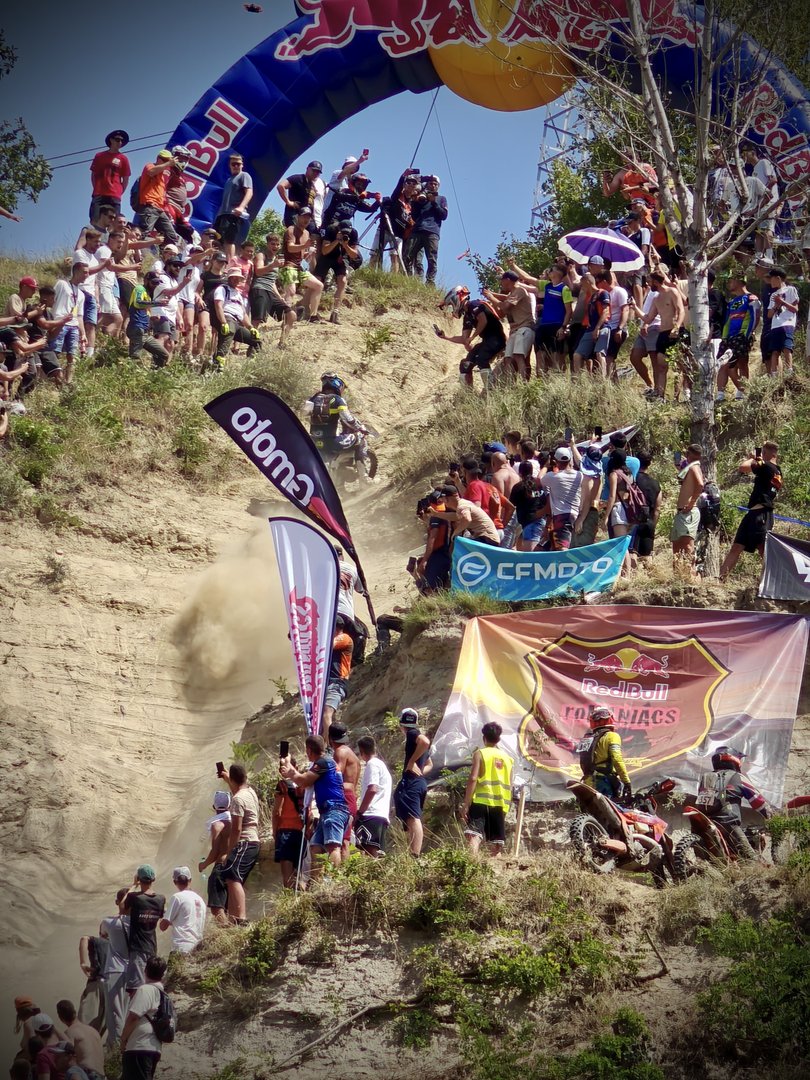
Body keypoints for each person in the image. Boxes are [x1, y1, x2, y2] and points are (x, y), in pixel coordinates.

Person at [280, 735, 350, 872]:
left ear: (309, 750)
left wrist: (290, 771)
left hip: (334, 809)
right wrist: (289, 766)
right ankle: (318, 879)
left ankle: (334, 879)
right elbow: (304, 780)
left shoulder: (323, 762)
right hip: (327, 811)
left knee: (333, 846)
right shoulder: (326, 761)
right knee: (315, 847)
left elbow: (304, 781)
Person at [720, 442, 782, 579]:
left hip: (761, 514)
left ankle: (774, 580)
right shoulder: (775, 470)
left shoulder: (767, 466)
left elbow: (743, 467)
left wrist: (752, 458)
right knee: (737, 547)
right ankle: (720, 578)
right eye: (762, 453)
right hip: (753, 513)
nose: (762, 455)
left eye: (764, 453)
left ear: (772, 454)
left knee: (763, 549)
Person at [696, 746, 769, 858]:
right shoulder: (738, 777)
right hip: (728, 822)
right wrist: (772, 817)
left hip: (704, 821)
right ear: (735, 760)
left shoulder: (706, 777)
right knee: (751, 859)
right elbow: (758, 801)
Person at [461, 722, 514, 856]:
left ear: (484, 737)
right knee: (496, 843)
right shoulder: (508, 759)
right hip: (499, 804)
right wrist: (507, 806)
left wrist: (466, 804)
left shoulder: (480, 754)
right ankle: (495, 868)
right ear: (499, 739)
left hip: (481, 801)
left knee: (474, 836)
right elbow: (510, 785)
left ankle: (472, 864)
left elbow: (473, 778)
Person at [438, 285, 505, 390]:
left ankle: (491, 391)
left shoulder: (474, 304)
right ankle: (468, 395)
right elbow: (464, 339)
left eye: (451, 305)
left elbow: (483, 320)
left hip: (497, 338)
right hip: (487, 341)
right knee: (465, 365)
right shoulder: (467, 316)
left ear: (456, 299)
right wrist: (445, 337)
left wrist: (473, 337)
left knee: (482, 358)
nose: (451, 309)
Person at [219, 763, 261, 926]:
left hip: (245, 841)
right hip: (254, 840)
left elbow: (236, 829)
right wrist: (228, 779)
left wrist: (229, 851)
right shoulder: (250, 792)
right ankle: (233, 918)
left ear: (233, 779)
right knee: (233, 876)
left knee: (232, 876)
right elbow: (238, 791)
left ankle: (240, 918)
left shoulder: (237, 799)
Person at [120, 955, 168, 1080]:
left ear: (145, 970)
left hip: (139, 1046)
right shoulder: (163, 994)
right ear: (163, 975)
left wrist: (123, 1040)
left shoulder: (145, 989)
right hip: (154, 1047)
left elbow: (133, 1017)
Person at [393, 708, 433, 857]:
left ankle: (414, 854)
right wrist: (420, 772)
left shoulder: (412, 734)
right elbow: (430, 764)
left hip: (412, 782)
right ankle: (412, 853)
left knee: (413, 818)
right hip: (419, 782)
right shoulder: (415, 739)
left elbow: (425, 741)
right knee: (411, 818)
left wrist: (411, 762)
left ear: (401, 725)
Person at [303, 372, 368, 461]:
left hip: (314, 441)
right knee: (360, 435)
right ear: (338, 384)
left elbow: (304, 414)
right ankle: (363, 468)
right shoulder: (338, 399)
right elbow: (347, 418)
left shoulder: (314, 399)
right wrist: (359, 427)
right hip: (332, 442)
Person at [640, 270, 685, 399]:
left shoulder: (672, 292)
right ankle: (660, 396)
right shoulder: (656, 298)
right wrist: (634, 308)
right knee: (661, 366)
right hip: (663, 334)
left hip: (675, 332)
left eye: (650, 282)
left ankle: (678, 396)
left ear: (655, 282)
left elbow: (681, 310)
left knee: (678, 366)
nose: (648, 284)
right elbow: (648, 318)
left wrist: (677, 327)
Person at [485, 271, 535, 381]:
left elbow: (506, 306)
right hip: (515, 331)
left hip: (524, 327)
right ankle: (510, 384)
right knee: (508, 359)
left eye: (501, 280)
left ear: (507, 280)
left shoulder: (520, 290)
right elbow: (501, 313)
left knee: (519, 356)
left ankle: (523, 383)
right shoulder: (511, 294)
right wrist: (491, 297)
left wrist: (491, 297)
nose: (501, 283)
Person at [715, 275, 758, 401]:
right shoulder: (732, 302)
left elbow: (755, 317)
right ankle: (720, 394)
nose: (729, 283)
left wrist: (747, 334)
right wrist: (724, 337)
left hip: (742, 335)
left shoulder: (751, 298)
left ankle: (743, 392)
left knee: (741, 363)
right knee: (723, 364)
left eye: (731, 280)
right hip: (728, 337)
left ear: (739, 281)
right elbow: (727, 320)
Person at [97, 887, 130, 1048]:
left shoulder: (108, 922)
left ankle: (116, 1048)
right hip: (134, 971)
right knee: (128, 1011)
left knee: (115, 1012)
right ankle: (127, 1044)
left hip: (114, 970)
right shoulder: (139, 923)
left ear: (117, 902)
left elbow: (102, 935)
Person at [122, 867, 165, 991]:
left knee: (135, 988)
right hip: (152, 947)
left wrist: (133, 885)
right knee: (150, 986)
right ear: (153, 879)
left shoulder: (134, 897)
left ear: (139, 879)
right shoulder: (161, 899)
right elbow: (160, 915)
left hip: (138, 948)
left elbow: (122, 908)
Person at [211, 267, 261, 369]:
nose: (236, 280)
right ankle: (218, 364)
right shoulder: (222, 289)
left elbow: (243, 313)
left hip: (237, 321)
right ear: (229, 278)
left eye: (238, 278)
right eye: (234, 278)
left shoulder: (238, 294)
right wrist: (223, 322)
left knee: (256, 341)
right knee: (229, 333)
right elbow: (218, 305)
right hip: (227, 317)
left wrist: (250, 327)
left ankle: (250, 364)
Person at [313, 218, 361, 324]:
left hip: (340, 258)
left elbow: (354, 255)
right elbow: (324, 251)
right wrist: (336, 241)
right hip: (327, 257)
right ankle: (312, 312)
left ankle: (335, 312)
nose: (345, 234)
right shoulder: (331, 229)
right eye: (343, 232)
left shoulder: (353, 233)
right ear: (338, 229)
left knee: (342, 281)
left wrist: (345, 245)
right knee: (317, 280)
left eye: (346, 232)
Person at [579, 704, 631, 801]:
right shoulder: (612, 736)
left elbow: (582, 763)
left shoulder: (586, 738)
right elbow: (617, 759)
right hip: (604, 783)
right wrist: (626, 782)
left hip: (587, 783)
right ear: (609, 719)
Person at [250, 234, 295, 343]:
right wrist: (272, 265)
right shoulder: (261, 255)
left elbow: (272, 281)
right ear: (267, 244)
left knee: (291, 315)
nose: (275, 246)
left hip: (270, 291)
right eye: (273, 244)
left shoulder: (276, 259)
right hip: (259, 288)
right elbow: (258, 271)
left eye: (277, 244)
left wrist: (279, 297)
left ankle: (282, 342)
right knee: (257, 320)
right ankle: (251, 343)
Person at [405, 175, 447, 284]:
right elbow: (414, 216)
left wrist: (433, 202)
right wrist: (415, 202)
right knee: (407, 255)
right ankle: (408, 279)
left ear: (438, 186)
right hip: (418, 230)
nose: (433, 185)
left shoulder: (441, 199)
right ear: (426, 185)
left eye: (435, 184)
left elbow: (444, 215)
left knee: (432, 259)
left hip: (432, 232)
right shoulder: (421, 198)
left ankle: (430, 282)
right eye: (430, 183)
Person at [355, 736, 392, 858]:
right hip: (380, 814)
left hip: (371, 814)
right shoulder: (381, 765)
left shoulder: (372, 764)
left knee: (370, 852)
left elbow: (372, 789)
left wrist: (360, 812)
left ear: (361, 751)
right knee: (377, 854)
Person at [198, 791, 232, 926]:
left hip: (221, 865)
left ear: (214, 806)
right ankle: (232, 927)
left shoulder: (216, 825)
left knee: (216, 907)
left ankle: (226, 931)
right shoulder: (235, 822)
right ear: (229, 806)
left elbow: (216, 851)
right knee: (229, 904)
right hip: (234, 865)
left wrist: (204, 864)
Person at [430, 484, 501, 547]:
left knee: (461, 547)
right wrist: (436, 514)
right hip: (489, 538)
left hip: (486, 538)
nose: (444, 503)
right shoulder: (463, 504)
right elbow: (455, 517)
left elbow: (467, 519)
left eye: (443, 500)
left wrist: (455, 533)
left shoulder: (462, 506)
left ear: (446, 499)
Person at [327, 722, 361, 855]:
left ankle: (340, 867)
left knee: (341, 841)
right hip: (351, 796)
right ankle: (345, 867)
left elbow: (336, 774)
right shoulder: (352, 754)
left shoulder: (340, 751)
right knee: (345, 838)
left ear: (330, 738)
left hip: (344, 796)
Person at [542, 444, 583, 550]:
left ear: (555, 461)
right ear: (570, 460)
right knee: (572, 547)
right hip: (576, 516)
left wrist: (546, 465)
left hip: (561, 518)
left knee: (562, 549)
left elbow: (539, 479)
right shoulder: (580, 476)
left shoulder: (552, 477)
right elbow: (583, 465)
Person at [272, 761, 306, 889]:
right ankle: (302, 898)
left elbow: (277, 812)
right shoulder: (303, 785)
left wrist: (275, 831)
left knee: (287, 877)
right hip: (301, 832)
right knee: (299, 874)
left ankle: (290, 899)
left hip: (285, 831)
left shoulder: (282, 785)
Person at [535, 265, 574, 374]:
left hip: (557, 326)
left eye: (552, 270)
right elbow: (528, 279)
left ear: (559, 273)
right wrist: (513, 266)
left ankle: (557, 379)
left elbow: (569, 311)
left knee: (555, 355)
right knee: (540, 354)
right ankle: (540, 380)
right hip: (543, 326)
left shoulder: (565, 289)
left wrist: (563, 327)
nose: (550, 271)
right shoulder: (546, 285)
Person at [671, 444, 705, 569]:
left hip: (688, 513)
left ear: (689, 454)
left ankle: (690, 573)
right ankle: (678, 574)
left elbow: (700, 485)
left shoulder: (694, 467)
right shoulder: (690, 467)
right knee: (677, 546)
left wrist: (691, 503)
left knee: (687, 546)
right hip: (682, 513)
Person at [158, 868, 206, 954]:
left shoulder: (177, 897)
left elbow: (163, 927)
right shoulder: (200, 900)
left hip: (181, 948)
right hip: (197, 950)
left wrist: (162, 918)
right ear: (190, 880)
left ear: (174, 882)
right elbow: (187, 921)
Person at [135, 151, 179, 243]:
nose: (168, 162)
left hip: (159, 208)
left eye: (169, 160)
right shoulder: (150, 166)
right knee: (144, 234)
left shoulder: (163, 174)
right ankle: (136, 251)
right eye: (165, 160)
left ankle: (165, 251)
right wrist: (168, 163)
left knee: (171, 236)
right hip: (149, 205)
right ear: (159, 159)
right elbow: (151, 172)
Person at [572, 272, 611, 377]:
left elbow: (606, 311)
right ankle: (577, 381)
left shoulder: (603, 293)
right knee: (577, 354)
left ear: (588, 282)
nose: (582, 287)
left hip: (602, 328)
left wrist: (597, 328)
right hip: (590, 329)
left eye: (582, 284)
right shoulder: (589, 298)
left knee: (599, 354)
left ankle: (603, 382)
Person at [214, 154, 253, 256]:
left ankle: (230, 262)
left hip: (234, 214)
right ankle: (222, 261)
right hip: (223, 214)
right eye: (233, 164)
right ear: (230, 165)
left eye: (238, 164)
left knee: (229, 240)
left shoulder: (244, 175)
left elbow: (249, 192)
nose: (236, 166)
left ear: (242, 165)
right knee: (217, 239)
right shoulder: (229, 179)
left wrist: (241, 207)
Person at [54, 1003, 104, 1080]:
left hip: (87, 1074)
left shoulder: (70, 1032)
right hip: (101, 1075)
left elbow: (66, 1058)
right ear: (75, 1013)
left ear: (60, 1018)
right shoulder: (94, 1031)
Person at [764, 267, 799, 377]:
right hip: (775, 325)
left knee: (787, 348)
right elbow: (769, 314)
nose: (770, 281)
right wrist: (776, 305)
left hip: (787, 323)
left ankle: (789, 373)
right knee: (774, 350)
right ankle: (774, 375)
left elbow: (795, 309)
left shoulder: (791, 289)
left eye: (771, 278)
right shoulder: (773, 295)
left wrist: (782, 302)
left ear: (778, 278)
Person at [90, 130, 131, 222]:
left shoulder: (123, 159)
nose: (120, 142)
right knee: (95, 219)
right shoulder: (99, 156)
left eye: (122, 141)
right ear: (111, 140)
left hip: (114, 195)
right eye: (117, 140)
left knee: (114, 222)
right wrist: (97, 188)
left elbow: (126, 179)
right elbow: (93, 175)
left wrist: (119, 192)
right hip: (99, 193)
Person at [322, 616, 354, 730]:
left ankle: (329, 742)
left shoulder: (345, 637)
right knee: (323, 717)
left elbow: (328, 645)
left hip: (337, 682)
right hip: (327, 683)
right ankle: (327, 738)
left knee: (326, 713)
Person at [509, 461, 548, 551]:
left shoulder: (518, 487)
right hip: (540, 521)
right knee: (522, 550)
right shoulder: (539, 485)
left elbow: (511, 505)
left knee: (531, 554)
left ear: (520, 472)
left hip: (531, 523)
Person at [633, 451, 662, 562]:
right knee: (647, 557)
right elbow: (657, 508)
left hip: (633, 520)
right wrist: (653, 524)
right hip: (649, 521)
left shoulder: (632, 480)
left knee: (632, 553)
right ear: (649, 464)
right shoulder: (656, 483)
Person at [277, 160, 323, 228]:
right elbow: (280, 186)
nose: (315, 173)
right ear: (307, 169)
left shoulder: (312, 185)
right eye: (314, 170)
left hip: (307, 217)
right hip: (295, 215)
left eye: (318, 172)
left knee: (314, 233)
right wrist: (288, 202)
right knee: (293, 233)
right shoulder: (298, 178)